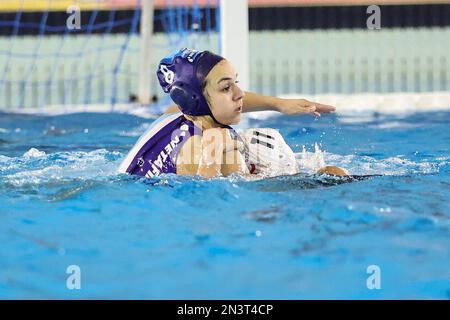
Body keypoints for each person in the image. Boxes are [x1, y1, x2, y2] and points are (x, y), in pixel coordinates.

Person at [118, 48, 348, 178]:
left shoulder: (174, 115)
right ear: (195, 100)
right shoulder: (210, 148)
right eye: (227, 87)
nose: (240, 94)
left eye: (236, 83)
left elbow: (215, 104)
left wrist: (279, 104)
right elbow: (221, 205)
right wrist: (317, 180)